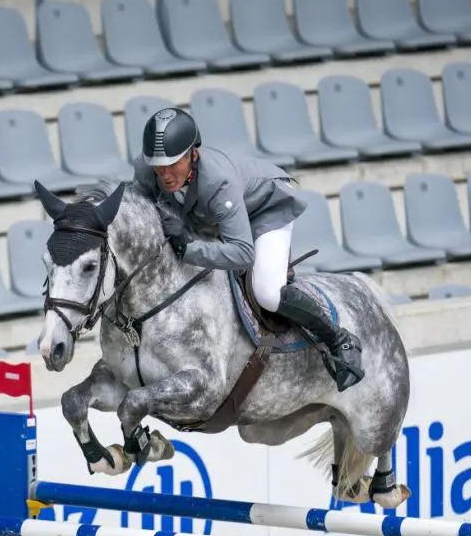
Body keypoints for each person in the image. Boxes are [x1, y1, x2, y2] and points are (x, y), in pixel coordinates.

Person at [132, 107, 364, 392]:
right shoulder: (147, 171)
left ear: (194, 154)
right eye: (158, 166)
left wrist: (189, 249)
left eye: (173, 164)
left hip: (265, 209)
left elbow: (242, 253)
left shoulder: (218, 182)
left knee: (267, 291)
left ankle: (339, 339)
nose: (165, 175)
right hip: (213, 218)